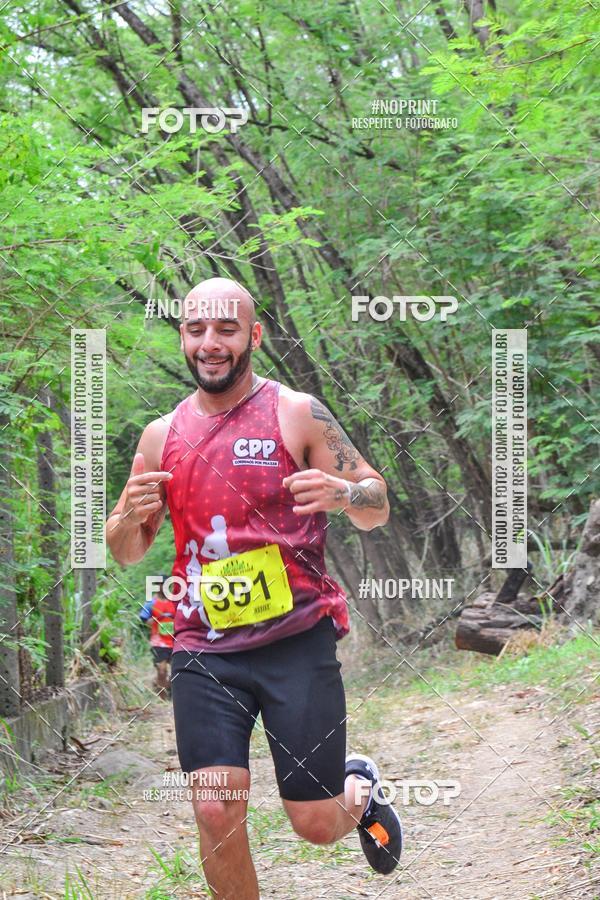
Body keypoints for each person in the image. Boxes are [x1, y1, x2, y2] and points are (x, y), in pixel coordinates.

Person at [106, 278, 403, 898]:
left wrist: (346, 494)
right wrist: (127, 517)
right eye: (196, 329)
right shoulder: (162, 436)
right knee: (215, 811)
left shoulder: (296, 412)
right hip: (203, 646)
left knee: (316, 823)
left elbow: (377, 502)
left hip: (295, 641)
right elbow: (127, 550)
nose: (210, 343)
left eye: (226, 329)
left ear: (253, 336)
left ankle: (359, 790)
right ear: (183, 335)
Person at [138, 577, 177, 698]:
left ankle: (162, 687)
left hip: (175, 641)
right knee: (162, 670)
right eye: (161, 584)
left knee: (177, 671)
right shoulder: (151, 602)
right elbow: (144, 619)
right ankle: (162, 699)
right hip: (158, 642)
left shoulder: (175, 601)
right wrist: (157, 620)